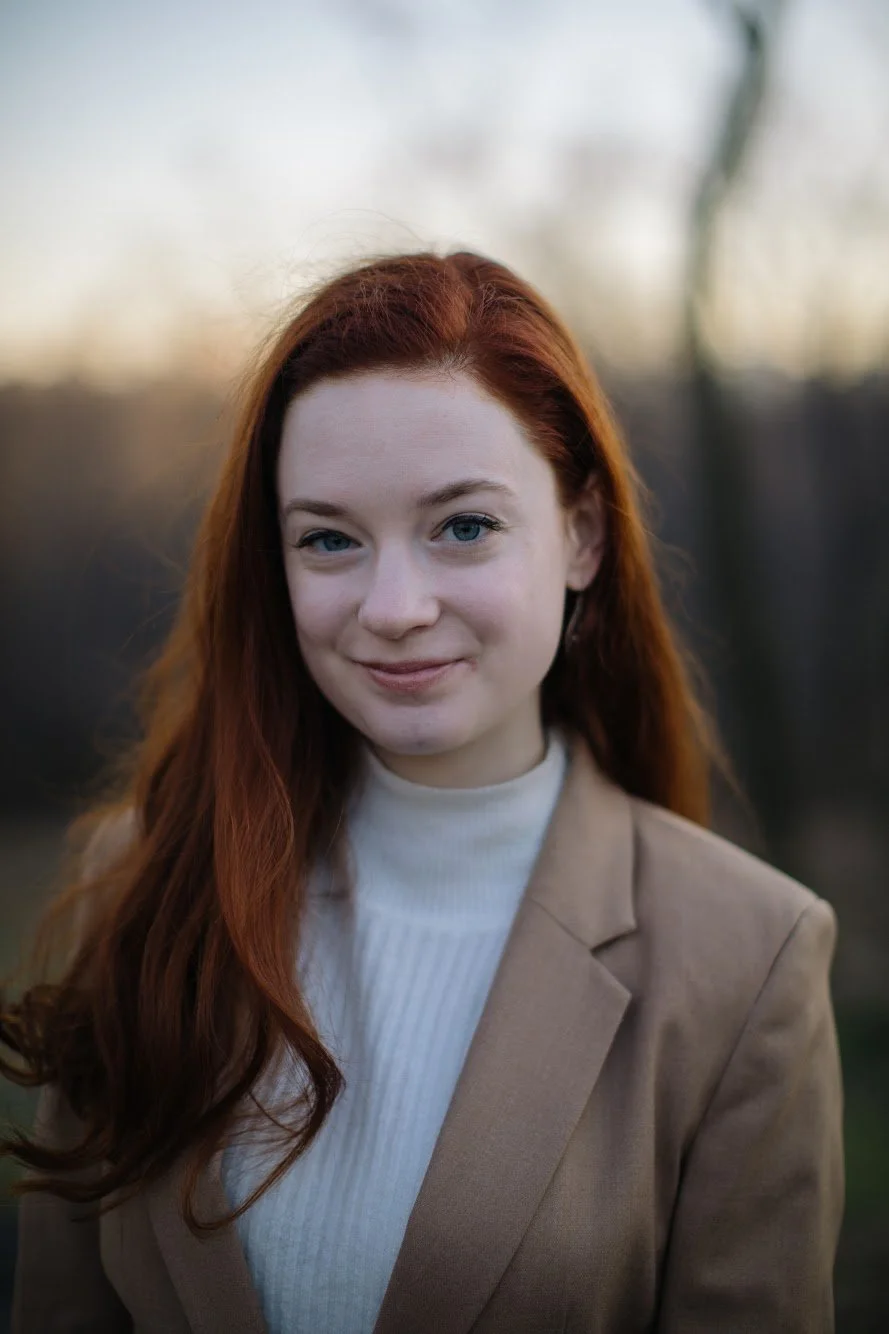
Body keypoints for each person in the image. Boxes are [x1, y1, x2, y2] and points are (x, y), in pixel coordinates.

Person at [2, 250, 843, 1333]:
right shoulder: (144, 876)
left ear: (582, 534)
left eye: (462, 525)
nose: (394, 605)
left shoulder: (747, 956)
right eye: (330, 539)